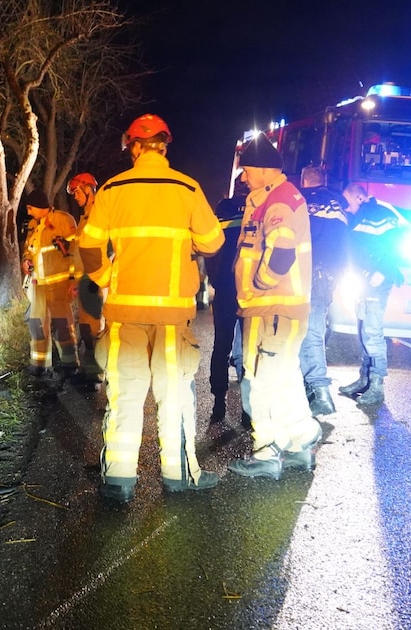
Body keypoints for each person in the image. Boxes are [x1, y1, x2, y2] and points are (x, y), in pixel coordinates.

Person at [77, 113, 225, 503]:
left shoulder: (112, 189)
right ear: (164, 145)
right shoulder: (187, 188)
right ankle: (178, 477)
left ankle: (118, 482)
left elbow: (89, 247)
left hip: (125, 316)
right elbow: (213, 243)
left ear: (134, 147)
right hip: (173, 318)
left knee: (125, 396)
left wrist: (107, 278)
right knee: (173, 396)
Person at [226, 135, 322, 480]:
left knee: (261, 377)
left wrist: (258, 285)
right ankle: (300, 440)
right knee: (283, 375)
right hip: (284, 308)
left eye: (247, 170)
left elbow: (282, 251)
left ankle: (266, 452)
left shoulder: (277, 201)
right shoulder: (276, 196)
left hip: (272, 308)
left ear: (265, 170)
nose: (243, 177)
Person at [338, 183, 405, 406]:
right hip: (363, 281)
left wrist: (383, 272)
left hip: (378, 281)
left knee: (372, 331)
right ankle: (365, 379)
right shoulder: (358, 217)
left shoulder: (382, 215)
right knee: (363, 329)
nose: (346, 208)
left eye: (347, 202)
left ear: (359, 198)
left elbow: (397, 247)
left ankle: (377, 385)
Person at [297, 166, 350, 417]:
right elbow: (343, 245)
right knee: (314, 331)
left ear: (305, 181)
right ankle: (310, 388)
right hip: (329, 277)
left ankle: (319, 392)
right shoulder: (339, 207)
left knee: (307, 333)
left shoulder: (303, 202)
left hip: (307, 274)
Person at [22, 189, 81, 383]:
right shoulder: (32, 225)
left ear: (39, 206)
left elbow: (75, 252)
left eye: (30, 208)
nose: (29, 212)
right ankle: (39, 366)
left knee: (62, 325)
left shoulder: (64, 220)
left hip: (59, 284)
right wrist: (25, 260)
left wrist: (73, 280)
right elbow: (28, 250)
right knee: (38, 326)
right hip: (38, 284)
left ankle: (70, 364)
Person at [207, 177, 249, 427]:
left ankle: (218, 403)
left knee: (221, 347)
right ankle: (247, 409)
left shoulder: (223, 209)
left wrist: (215, 280)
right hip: (249, 291)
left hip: (225, 286)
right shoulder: (260, 208)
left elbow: (212, 249)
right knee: (247, 350)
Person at [67, 172, 105, 387]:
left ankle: (96, 373)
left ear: (88, 190)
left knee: (94, 329)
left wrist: (96, 277)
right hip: (84, 281)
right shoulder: (85, 218)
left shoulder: (100, 214)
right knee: (86, 327)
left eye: (77, 192)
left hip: (94, 281)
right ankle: (89, 369)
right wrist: (74, 280)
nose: (75, 196)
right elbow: (78, 253)